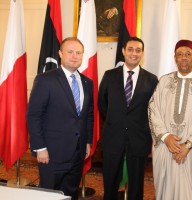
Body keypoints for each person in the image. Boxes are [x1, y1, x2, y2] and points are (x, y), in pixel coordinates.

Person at [27, 37, 94, 200]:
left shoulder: (87, 82)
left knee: (70, 193)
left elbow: (88, 114)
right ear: (60, 53)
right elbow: (34, 115)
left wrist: (87, 142)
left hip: (77, 153)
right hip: (51, 153)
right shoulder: (46, 79)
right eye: (70, 52)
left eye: (78, 52)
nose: (74, 56)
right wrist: (40, 147)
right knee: (49, 195)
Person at [148, 39, 192, 200]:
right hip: (166, 147)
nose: (184, 57)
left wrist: (188, 145)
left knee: (190, 193)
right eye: (180, 54)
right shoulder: (164, 81)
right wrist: (165, 137)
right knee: (165, 191)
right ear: (175, 58)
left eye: (188, 54)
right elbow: (153, 109)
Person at [98, 36, 158, 200]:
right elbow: (102, 103)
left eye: (138, 50)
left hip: (139, 138)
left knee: (136, 184)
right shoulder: (110, 75)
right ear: (123, 51)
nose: (134, 53)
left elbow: (154, 108)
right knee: (110, 181)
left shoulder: (151, 79)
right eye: (130, 49)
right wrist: (115, 120)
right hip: (113, 136)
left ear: (142, 54)